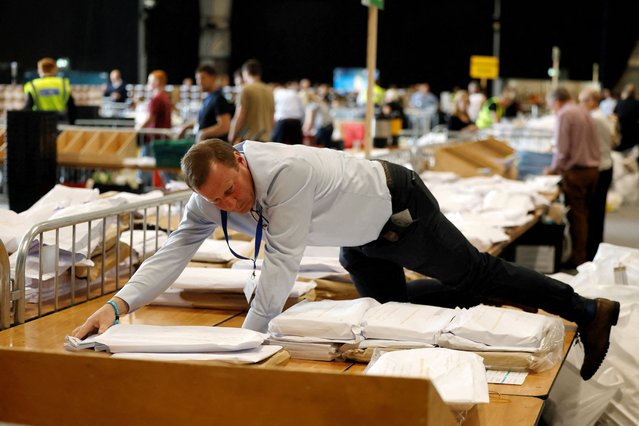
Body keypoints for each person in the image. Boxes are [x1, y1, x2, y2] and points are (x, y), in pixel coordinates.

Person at [73, 139, 620, 381]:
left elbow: (282, 262)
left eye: (232, 191)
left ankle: (589, 311)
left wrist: (244, 343)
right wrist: (118, 306)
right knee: (385, 309)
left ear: (239, 160)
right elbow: (173, 252)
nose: (229, 205)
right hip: (357, 232)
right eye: (216, 201)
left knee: (476, 274)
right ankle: (492, 305)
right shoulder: (207, 195)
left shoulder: (283, 174)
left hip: (397, 209)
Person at [545, 87, 600, 267]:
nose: (553, 109)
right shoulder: (583, 112)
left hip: (577, 172)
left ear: (557, 101)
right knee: (583, 214)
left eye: (551, 105)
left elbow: (562, 150)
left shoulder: (564, 114)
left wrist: (552, 169)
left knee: (577, 217)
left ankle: (578, 260)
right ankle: (582, 255)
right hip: (592, 170)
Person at [579, 87, 616, 261]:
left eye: (582, 101)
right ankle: (594, 250)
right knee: (596, 213)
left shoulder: (594, 118)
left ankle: (592, 253)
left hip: (601, 169)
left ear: (592, 101)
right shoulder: (599, 116)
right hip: (605, 166)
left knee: (594, 213)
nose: (580, 105)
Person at [177, 65, 233, 143]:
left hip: (214, 148)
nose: (199, 82)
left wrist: (203, 133)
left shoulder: (218, 99)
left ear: (213, 78)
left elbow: (225, 126)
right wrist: (186, 127)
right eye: (197, 79)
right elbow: (204, 122)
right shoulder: (207, 98)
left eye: (203, 78)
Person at [136, 70, 172, 187]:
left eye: (150, 81)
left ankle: (141, 191)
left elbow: (150, 118)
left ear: (157, 82)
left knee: (144, 169)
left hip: (153, 138)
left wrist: (137, 129)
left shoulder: (156, 98)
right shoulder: (165, 97)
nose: (148, 83)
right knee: (164, 169)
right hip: (161, 137)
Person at [228, 59, 274, 143]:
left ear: (246, 72)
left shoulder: (245, 89)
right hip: (266, 139)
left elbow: (240, 115)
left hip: (250, 140)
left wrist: (231, 136)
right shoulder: (269, 90)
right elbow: (272, 117)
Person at [23, 57, 76, 124]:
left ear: (40, 69)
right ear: (55, 69)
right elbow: (72, 107)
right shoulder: (63, 84)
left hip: (40, 122)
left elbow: (28, 107)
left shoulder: (33, 85)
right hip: (60, 122)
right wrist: (72, 125)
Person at [613, 83, 639, 153]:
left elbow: (614, 115)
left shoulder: (620, 103)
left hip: (622, 132)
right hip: (635, 132)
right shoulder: (637, 103)